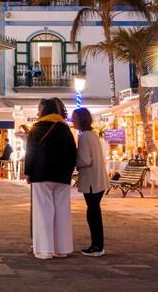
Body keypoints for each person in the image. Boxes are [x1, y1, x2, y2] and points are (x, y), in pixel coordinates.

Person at [25, 98, 76, 259]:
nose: (38, 112)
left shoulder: (37, 128)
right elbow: (73, 152)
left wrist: (28, 172)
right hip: (62, 176)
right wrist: (69, 171)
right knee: (62, 211)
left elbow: (31, 153)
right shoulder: (65, 128)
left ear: (44, 110)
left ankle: (44, 250)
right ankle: (62, 249)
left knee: (43, 211)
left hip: (42, 175)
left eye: (39, 109)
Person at [72, 107, 108, 257]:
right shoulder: (93, 135)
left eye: (74, 118)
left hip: (91, 180)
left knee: (92, 212)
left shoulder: (84, 136)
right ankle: (97, 244)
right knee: (94, 211)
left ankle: (97, 246)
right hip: (99, 179)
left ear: (81, 120)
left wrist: (74, 160)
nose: (73, 121)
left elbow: (85, 160)